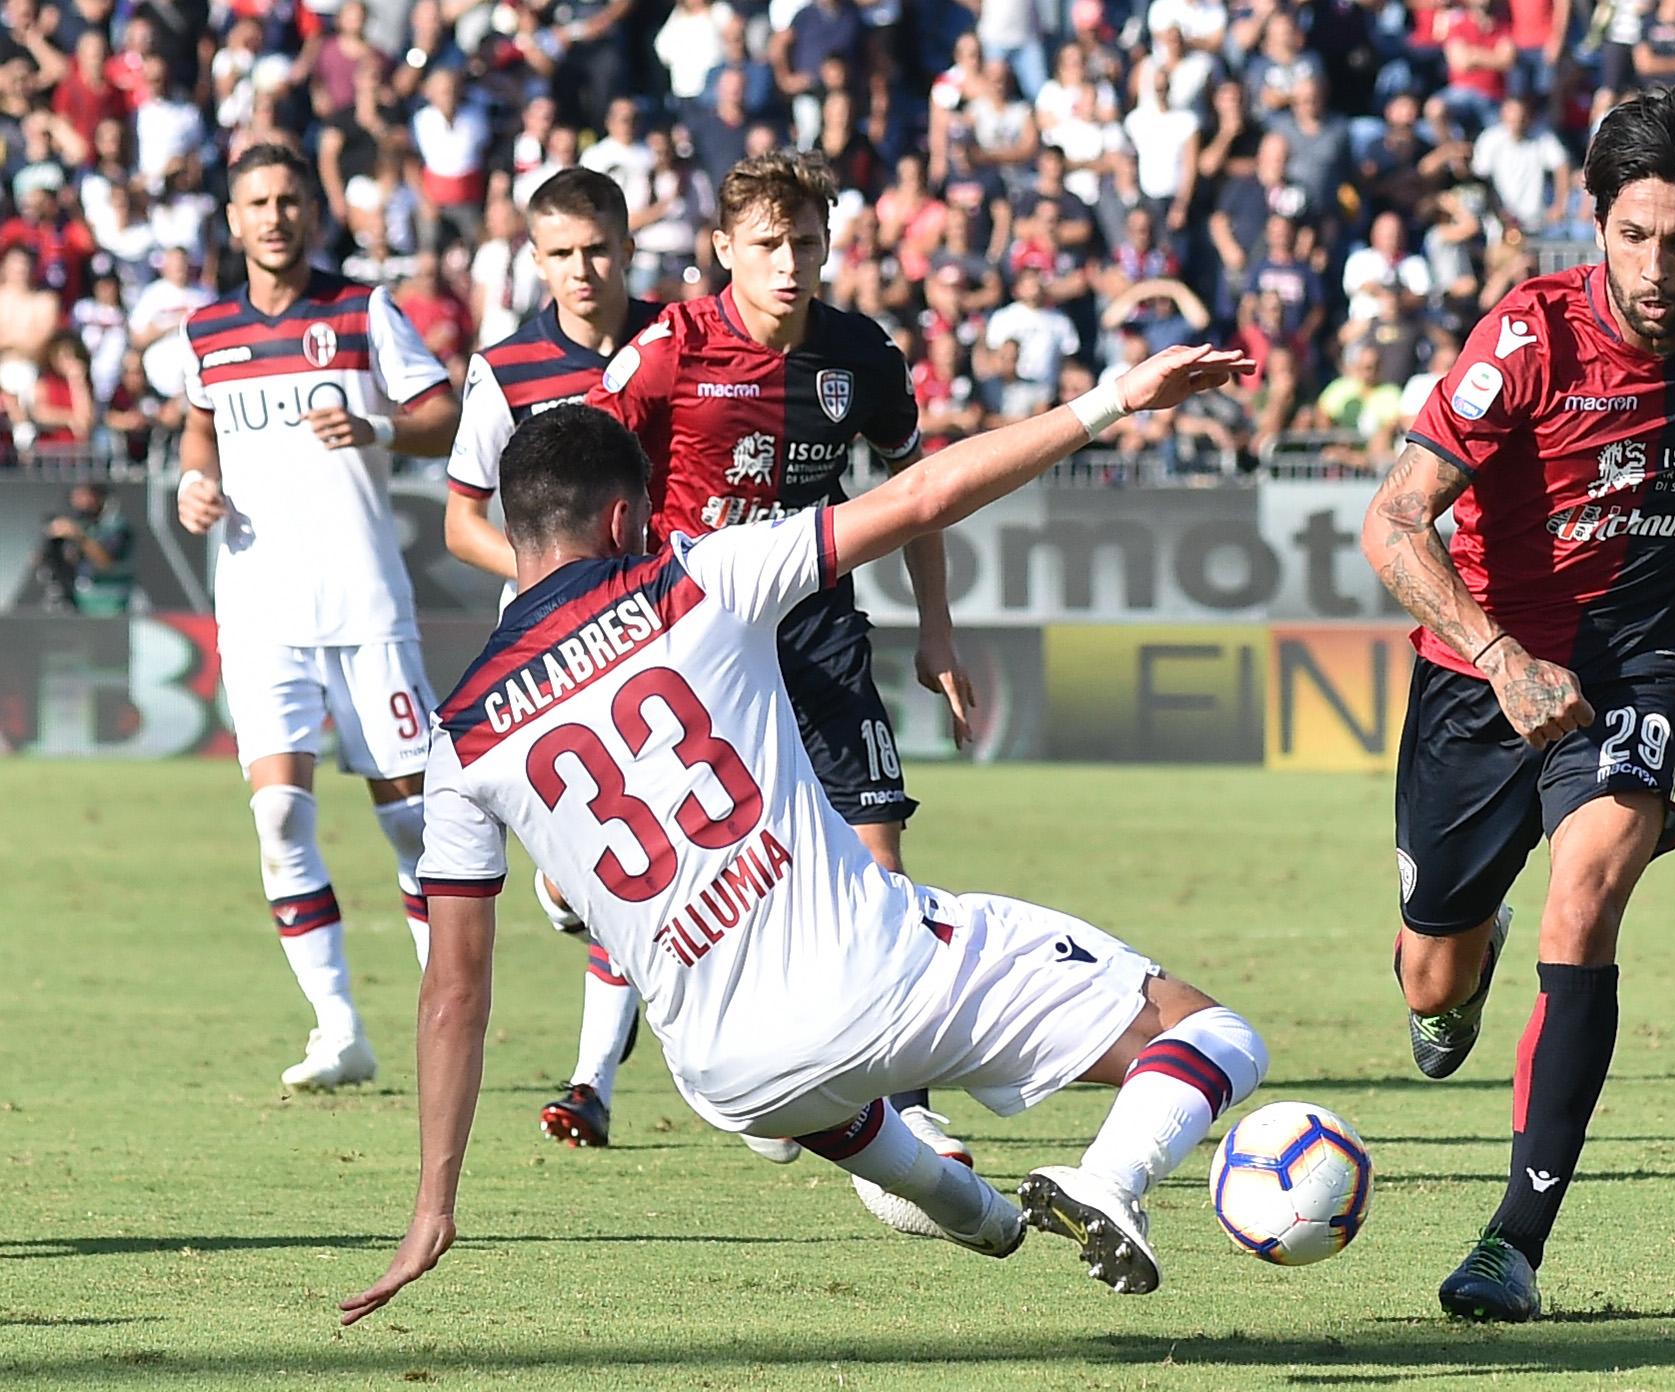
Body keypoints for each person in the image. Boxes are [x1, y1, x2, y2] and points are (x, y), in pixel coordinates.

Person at [340, 350, 1259, 1324]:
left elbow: (452, 994)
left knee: (823, 1090)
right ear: (624, 520)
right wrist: (1114, 396)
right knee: (1210, 1032)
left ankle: (976, 1212)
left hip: (727, 1077)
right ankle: (1112, 1181)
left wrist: (432, 1205)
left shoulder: (462, 736)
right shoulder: (699, 577)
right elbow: (924, 494)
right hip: (876, 981)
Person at [1358, 86, 1675, 1323]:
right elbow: (1392, 523)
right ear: (1595, 225)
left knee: (1590, 889)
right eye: (1632, 238)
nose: (1655, 272)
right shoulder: (1526, 338)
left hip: (1643, 658)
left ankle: (1514, 1242)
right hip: (1479, 679)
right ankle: (1464, 944)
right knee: (1432, 983)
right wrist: (1502, 655)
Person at [583, 150, 981, 1200]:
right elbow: (580, 474)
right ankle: (767, 1073)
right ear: (723, 250)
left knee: (876, 848)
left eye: (807, 242)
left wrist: (935, 627)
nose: (791, 263)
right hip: (700, 636)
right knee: (721, 873)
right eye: (768, 244)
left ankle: (902, 1091)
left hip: (818, 630)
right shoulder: (667, 351)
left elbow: (920, 490)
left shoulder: (861, 355)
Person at [174, 143, 462, 1090]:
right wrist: (194, 481)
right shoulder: (207, 330)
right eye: (257, 200)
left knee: (414, 828)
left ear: (313, 210)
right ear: (232, 215)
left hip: (364, 603)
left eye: (289, 199)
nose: (274, 216)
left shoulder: (359, 309)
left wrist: (377, 426)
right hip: (259, 606)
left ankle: (443, 1012)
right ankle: (339, 1028)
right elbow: (201, 419)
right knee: (279, 816)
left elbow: (443, 411)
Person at [444, 168, 671, 1152]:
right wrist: (551, 580)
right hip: (553, 653)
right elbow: (462, 520)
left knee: (651, 858)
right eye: (562, 254)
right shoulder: (506, 370)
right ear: (536, 259)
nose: (584, 270)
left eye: (599, 249)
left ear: (627, 245)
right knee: (607, 871)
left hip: (670, 632)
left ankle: (591, 1084)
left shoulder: (685, 342)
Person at [36, 481, 133, 616]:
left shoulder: (116, 527)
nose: (81, 503)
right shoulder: (82, 524)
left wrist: (78, 535)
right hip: (82, 599)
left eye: (85, 497)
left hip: (112, 600)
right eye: (77, 497)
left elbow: (105, 562)